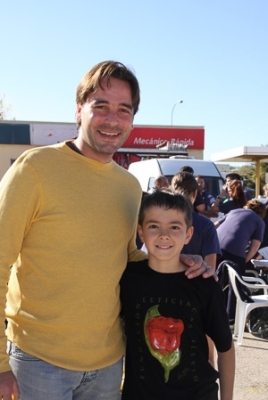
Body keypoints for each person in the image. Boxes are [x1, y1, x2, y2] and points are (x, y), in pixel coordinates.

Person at [0, 60, 212, 400]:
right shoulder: (34, 170)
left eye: (123, 110)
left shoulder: (129, 187)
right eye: (101, 106)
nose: (112, 119)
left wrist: (178, 259)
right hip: (39, 365)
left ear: (132, 119)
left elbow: (127, 257)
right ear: (79, 110)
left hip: (109, 365)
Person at [120, 190, 235, 400]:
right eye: (154, 226)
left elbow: (225, 347)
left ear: (188, 234)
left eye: (174, 227)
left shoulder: (204, 283)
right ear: (141, 232)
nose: (164, 234)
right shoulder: (128, 278)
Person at [216, 199, 266, 324]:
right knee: (235, 284)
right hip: (235, 251)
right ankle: (230, 318)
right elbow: (255, 246)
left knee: (214, 280)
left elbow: (215, 225)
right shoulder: (259, 221)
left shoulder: (234, 211)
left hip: (216, 247)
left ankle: (209, 312)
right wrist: (244, 261)